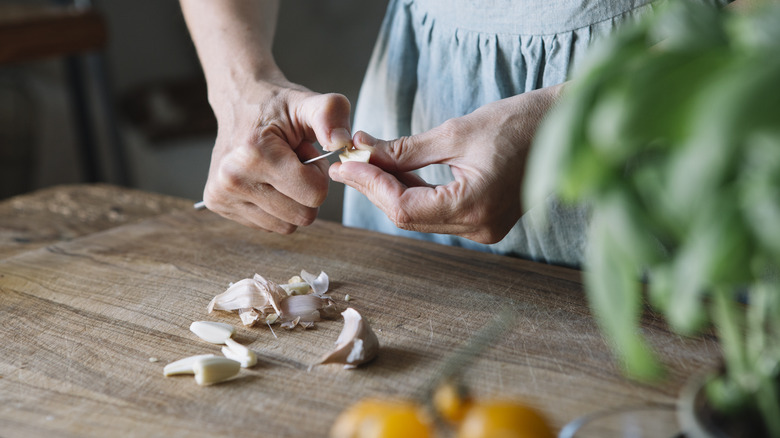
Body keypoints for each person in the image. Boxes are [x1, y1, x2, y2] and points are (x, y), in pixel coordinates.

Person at [180, 0, 739, 268]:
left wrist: (572, 116)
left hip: (683, 92)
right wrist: (240, 86)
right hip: (426, 75)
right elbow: (239, 82)